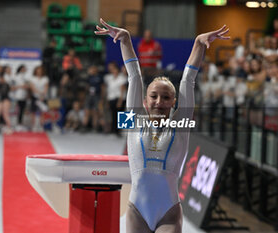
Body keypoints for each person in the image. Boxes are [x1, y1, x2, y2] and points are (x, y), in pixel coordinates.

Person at [95, 18, 229, 233]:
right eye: (154, 96)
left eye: (166, 97)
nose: (159, 102)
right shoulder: (135, 120)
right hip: (137, 210)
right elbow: (134, 77)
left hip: (168, 212)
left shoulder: (181, 124)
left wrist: (198, 43)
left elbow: (188, 80)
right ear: (145, 101)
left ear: (174, 102)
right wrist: (125, 40)